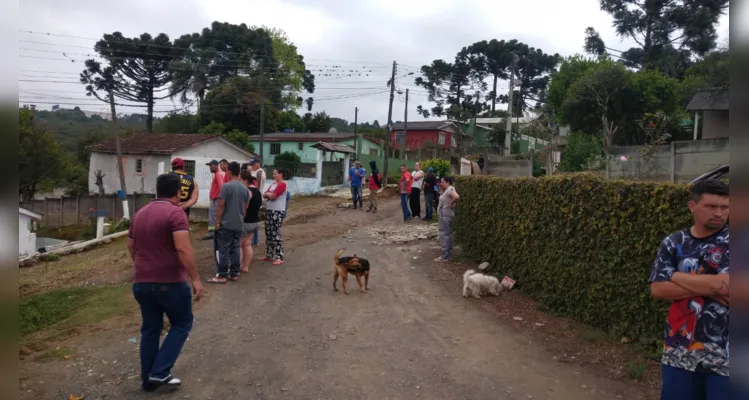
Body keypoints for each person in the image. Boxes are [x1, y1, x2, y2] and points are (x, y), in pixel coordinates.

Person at [649, 179, 729, 400]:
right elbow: (658, 289)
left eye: (725, 207)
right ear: (693, 207)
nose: (719, 213)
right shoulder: (674, 242)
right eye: (711, 206)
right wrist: (711, 286)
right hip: (679, 351)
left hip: (728, 358)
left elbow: (730, 287)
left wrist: (675, 275)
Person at [127, 173, 205, 392]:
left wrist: (144, 266)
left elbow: (131, 246)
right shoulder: (176, 213)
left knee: (150, 329)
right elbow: (182, 248)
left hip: (142, 283)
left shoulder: (139, 214)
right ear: (178, 192)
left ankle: (148, 381)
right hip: (170, 282)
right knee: (182, 323)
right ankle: (160, 372)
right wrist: (196, 278)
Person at [208, 162, 250, 283]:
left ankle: (221, 275)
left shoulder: (226, 187)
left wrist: (217, 222)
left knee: (223, 249)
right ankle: (234, 273)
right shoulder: (245, 189)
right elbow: (245, 207)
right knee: (235, 247)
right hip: (238, 223)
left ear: (229, 172)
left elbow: (221, 205)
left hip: (226, 223)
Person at [259, 168, 288, 265]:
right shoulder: (273, 184)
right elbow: (264, 195)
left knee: (275, 233)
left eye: (275, 174)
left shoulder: (282, 184)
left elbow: (274, 196)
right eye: (273, 174)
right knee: (269, 232)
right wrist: (267, 194)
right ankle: (269, 254)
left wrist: (268, 194)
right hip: (269, 210)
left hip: (277, 211)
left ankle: (279, 256)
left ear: (280, 174)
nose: (274, 176)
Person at [239, 171, 262, 273]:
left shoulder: (247, 191)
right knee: (247, 244)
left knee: (237, 245)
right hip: (254, 221)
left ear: (245, 180)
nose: (239, 182)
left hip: (246, 221)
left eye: (240, 180)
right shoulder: (258, 191)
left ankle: (236, 267)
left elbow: (244, 207)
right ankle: (245, 266)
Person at [435, 176, 459, 262]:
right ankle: (447, 254)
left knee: (446, 235)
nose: (441, 184)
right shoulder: (446, 190)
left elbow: (456, 196)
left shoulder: (450, 189)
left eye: (442, 182)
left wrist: (451, 203)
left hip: (446, 214)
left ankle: (446, 256)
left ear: (447, 182)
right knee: (446, 234)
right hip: (444, 214)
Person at [203, 159, 224, 240]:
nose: (210, 168)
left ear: (215, 165)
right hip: (216, 199)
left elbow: (221, 187)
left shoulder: (218, 175)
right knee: (215, 217)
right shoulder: (218, 174)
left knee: (212, 217)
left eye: (211, 166)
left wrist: (217, 197)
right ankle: (215, 232)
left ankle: (212, 233)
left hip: (216, 200)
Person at [249, 158, 266, 248]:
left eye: (253, 164)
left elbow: (258, 186)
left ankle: (254, 241)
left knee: (253, 220)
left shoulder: (259, 172)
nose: (252, 166)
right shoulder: (256, 172)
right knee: (253, 220)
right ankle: (254, 241)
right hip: (255, 198)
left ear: (258, 164)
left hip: (255, 198)